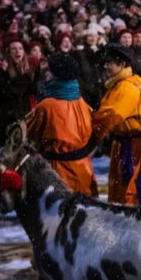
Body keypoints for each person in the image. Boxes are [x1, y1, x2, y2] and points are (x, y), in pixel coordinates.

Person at [27, 53, 97, 196]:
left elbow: (30, 139)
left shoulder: (46, 106)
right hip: (84, 170)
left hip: (58, 173)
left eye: (49, 70)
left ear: (56, 75)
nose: (46, 73)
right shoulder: (81, 101)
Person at [91, 44, 141, 203]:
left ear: (122, 65)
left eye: (109, 63)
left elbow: (109, 117)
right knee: (120, 186)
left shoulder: (126, 88)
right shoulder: (119, 84)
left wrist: (89, 131)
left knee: (126, 188)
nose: (106, 66)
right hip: (124, 144)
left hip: (131, 147)